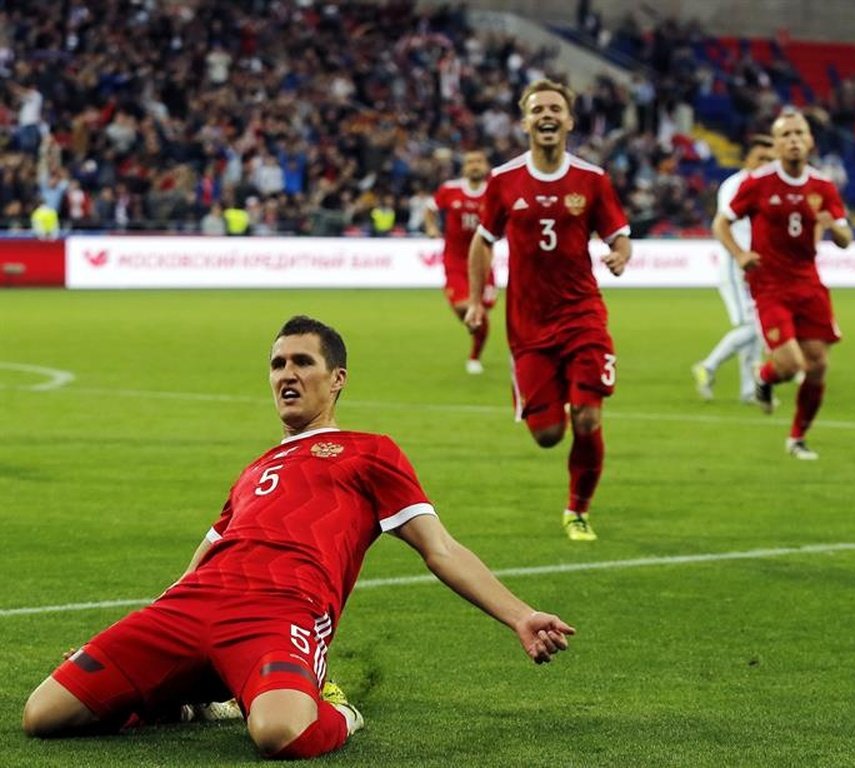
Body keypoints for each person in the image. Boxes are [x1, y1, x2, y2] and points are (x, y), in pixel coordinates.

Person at [22, 315, 575, 760]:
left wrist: (519, 615)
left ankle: (338, 711)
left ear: (337, 378)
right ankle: (187, 702)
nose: (286, 373)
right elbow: (209, 552)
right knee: (44, 715)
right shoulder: (254, 468)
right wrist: (144, 629)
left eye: (302, 362)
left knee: (280, 735)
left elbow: (441, 548)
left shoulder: (370, 451)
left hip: (282, 610)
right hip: (193, 607)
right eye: (277, 363)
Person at [464, 79, 632, 542]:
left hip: (582, 316)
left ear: (570, 120)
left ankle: (577, 510)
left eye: (555, 108)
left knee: (588, 417)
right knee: (548, 435)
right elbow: (482, 242)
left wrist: (621, 253)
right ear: (525, 122)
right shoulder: (503, 181)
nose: (547, 115)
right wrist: (478, 302)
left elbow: (619, 235)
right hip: (528, 325)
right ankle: (532, 390)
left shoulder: (592, 180)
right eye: (537, 109)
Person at [713, 108, 853, 460]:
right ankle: (764, 377)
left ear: (810, 141)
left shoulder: (822, 186)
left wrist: (834, 228)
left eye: (799, 133)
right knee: (791, 365)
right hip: (769, 284)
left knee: (819, 364)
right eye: (785, 135)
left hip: (808, 282)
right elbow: (721, 223)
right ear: (776, 145)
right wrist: (740, 255)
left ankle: (797, 438)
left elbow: (846, 238)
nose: (793, 140)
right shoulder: (758, 183)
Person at [692, 134, 775, 403]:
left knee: (751, 328)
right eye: (760, 158)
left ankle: (748, 391)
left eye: (770, 159)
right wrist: (739, 255)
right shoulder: (735, 185)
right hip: (735, 264)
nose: (765, 163)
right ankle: (708, 366)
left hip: (758, 266)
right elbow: (723, 224)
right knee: (754, 325)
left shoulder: (769, 185)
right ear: (746, 158)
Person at [425, 149, 496, 374]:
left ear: (486, 166)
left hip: (483, 262)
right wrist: (431, 227)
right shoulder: (450, 190)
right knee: (465, 308)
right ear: (464, 167)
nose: (474, 165)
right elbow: (430, 208)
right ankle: (475, 351)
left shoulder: (495, 191)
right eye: (470, 162)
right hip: (455, 262)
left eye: (479, 161)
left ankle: (475, 356)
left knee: (480, 315)